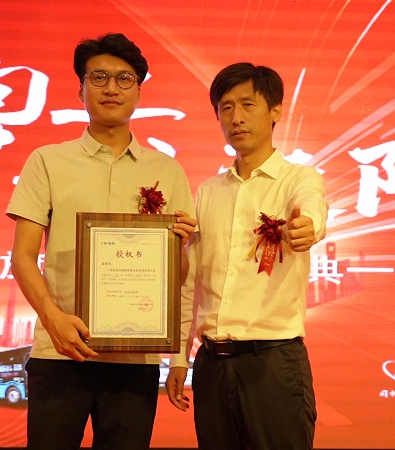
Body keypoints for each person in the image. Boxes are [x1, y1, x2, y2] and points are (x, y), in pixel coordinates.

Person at [7, 33, 196, 450]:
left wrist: (180, 250)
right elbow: (22, 257)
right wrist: (53, 319)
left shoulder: (167, 170)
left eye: (124, 78)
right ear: (81, 89)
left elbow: (180, 276)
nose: (112, 88)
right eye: (99, 77)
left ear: (139, 93)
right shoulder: (47, 161)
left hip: (135, 357)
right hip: (60, 352)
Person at [165, 62, 328, 450]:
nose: (236, 117)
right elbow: (190, 284)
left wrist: (307, 227)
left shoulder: (298, 178)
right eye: (226, 108)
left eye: (247, 104)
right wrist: (178, 357)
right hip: (211, 365)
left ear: (275, 110)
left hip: (272, 362)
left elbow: (311, 207)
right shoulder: (209, 191)